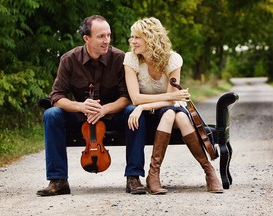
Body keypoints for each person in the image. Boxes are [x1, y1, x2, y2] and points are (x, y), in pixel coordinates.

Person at [123, 17, 224, 194]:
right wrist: (145, 105)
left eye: (137, 37)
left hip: (166, 109)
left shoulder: (172, 59)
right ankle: (158, 175)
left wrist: (143, 106)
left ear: (151, 37)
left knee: (175, 114)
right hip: (149, 117)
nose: (132, 41)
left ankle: (207, 171)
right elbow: (136, 98)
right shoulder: (131, 59)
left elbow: (170, 102)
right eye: (132, 37)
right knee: (173, 114)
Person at [37, 15, 131, 196]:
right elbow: (56, 96)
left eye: (108, 35)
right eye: (101, 36)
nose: (107, 41)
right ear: (86, 38)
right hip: (82, 118)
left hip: (111, 115)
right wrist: (80, 106)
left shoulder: (120, 58)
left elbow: (127, 96)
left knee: (132, 111)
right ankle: (58, 180)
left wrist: (105, 109)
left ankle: (133, 177)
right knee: (51, 114)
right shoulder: (69, 59)